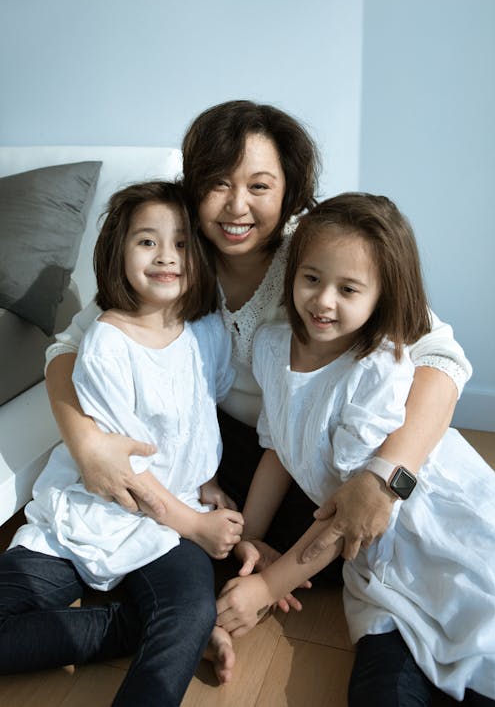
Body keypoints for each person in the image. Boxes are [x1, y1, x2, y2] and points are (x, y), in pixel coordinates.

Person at [44, 100, 472, 573]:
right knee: (178, 541)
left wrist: (385, 477)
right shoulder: (175, 257)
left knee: (336, 549)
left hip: (313, 449)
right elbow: (67, 347)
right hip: (224, 450)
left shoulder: (315, 257)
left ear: (289, 191)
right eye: (218, 184)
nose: (237, 207)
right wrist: (86, 444)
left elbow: (442, 356)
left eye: (259, 187)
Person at [215, 193, 495, 705]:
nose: (324, 301)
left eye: (348, 289)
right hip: (369, 557)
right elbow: (278, 449)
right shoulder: (273, 344)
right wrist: (251, 538)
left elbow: (349, 513)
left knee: (480, 648)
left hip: (427, 530)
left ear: (382, 295)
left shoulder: (375, 370)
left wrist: (269, 587)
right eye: (311, 280)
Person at [0, 181, 244, 705]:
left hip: (168, 521)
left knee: (188, 614)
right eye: (147, 242)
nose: (166, 257)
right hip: (98, 509)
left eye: (181, 243)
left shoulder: (207, 328)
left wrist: (209, 482)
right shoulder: (108, 343)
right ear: (118, 250)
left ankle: (170, 628)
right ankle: (127, 628)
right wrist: (198, 525)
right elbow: (122, 474)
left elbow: (201, 416)